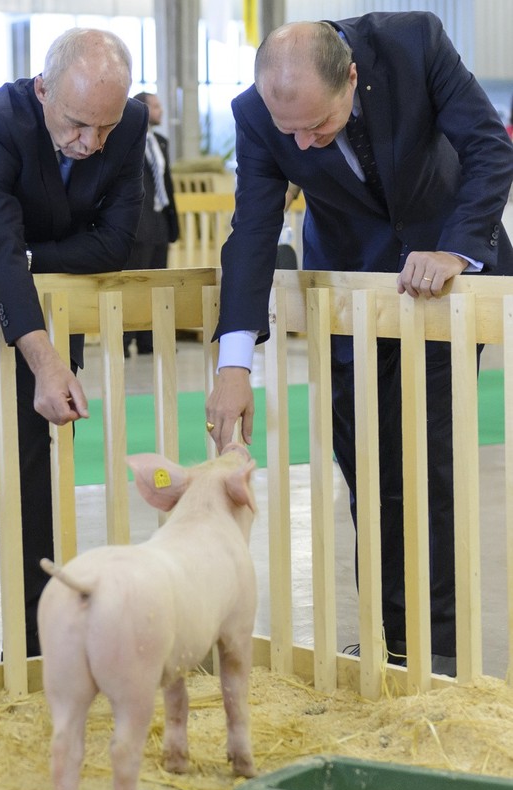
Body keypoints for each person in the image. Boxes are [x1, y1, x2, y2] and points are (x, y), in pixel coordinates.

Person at [206, 14, 513, 677]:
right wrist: (235, 362)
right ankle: (391, 645)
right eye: (291, 133)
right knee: (369, 474)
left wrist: (455, 247)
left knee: (424, 467)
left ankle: (438, 656)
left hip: (442, 286)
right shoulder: (260, 116)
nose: (305, 145)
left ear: (351, 76)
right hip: (351, 291)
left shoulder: (414, 44)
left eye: (318, 125)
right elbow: (254, 231)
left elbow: (490, 147)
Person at [0, 28, 148, 662]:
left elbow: (115, 243)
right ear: (44, 88)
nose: (91, 144)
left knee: (39, 471)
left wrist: (25, 259)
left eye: (105, 129)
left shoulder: (125, 124)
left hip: (37, 291)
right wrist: (46, 358)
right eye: (78, 124)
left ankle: (37, 638)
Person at [123, 91, 179, 356]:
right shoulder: (129, 141)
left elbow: (166, 183)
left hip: (159, 220)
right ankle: (123, 340)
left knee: (157, 284)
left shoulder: (162, 142)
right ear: (143, 110)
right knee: (135, 284)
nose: (161, 111)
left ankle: (149, 340)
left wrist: (172, 222)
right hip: (138, 222)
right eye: (156, 106)